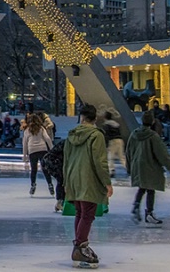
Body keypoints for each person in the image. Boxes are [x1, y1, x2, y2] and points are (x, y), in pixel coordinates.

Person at [63, 104, 113, 268]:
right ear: (95, 118)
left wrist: (65, 181)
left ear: (81, 117)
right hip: (88, 179)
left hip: (73, 178)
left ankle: (80, 245)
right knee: (88, 214)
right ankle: (80, 247)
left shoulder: (72, 135)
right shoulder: (96, 135)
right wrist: (107, 182)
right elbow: (99, 161)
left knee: (80, 212)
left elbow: (66, 159)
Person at [126, 111, 170, 225]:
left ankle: (137, 205)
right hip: (150, 166)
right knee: (150, 189)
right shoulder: (153, 136)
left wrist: (129, 167)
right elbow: (162, 154)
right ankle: (149, 213)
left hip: (138, 165)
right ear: (152, 121)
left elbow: (128, 151)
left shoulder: (134, 134)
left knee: (143, 187)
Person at [22, 113, 54, 195]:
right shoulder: (41, 129)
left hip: (32, 150)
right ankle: (50, 184)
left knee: (34, 169)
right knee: (45, 169)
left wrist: (25, 155)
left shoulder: (27, 130)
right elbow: (47, 139)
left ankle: (33, 185)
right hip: (42, 149)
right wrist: (52, 150)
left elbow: (25, 143)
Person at [101, 111, 126, 178]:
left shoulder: (106, 125)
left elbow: (106, 135)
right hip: (120, 140)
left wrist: (106, 145)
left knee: (110, 157)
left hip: (112, 141)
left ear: (105, 117)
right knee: (121, 157)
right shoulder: (116, 124)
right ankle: (129, 169)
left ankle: (111, 170)